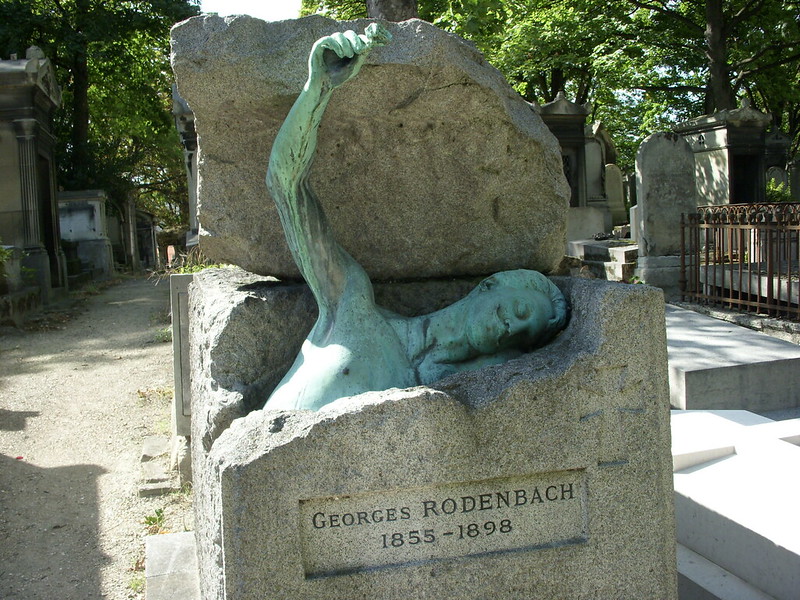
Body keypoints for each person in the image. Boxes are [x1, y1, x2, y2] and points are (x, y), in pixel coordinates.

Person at [264, 24, 567, 411]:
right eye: (521, 311)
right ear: (490, 285)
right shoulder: (352, 305)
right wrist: (318, 88)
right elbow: (286, 185)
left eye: (524, 336)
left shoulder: (440, 389)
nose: (514, 328)